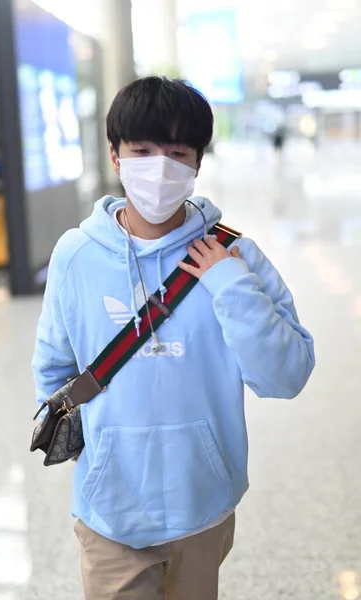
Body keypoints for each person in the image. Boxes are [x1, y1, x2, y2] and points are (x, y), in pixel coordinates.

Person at [32, 77, 315, 599]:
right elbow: (53, 366)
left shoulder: (236, 256)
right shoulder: (76, 255)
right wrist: (103, 455)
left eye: (177, 152)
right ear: (115, 155)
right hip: (111, 509)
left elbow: (287, 376)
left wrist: (230, 285)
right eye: (142, 150)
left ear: (197, 164)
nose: (160, 167)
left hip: (202, 504)